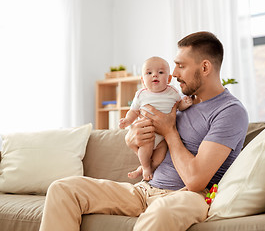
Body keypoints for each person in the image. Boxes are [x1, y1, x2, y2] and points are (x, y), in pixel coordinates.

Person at [39, 31, 248, 231]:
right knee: (63, 189)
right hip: (145, 189)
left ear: (205, 67)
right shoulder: (176, 101)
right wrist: (133, 140)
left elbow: (195, 181)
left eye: (181, 66)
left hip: (190, 196)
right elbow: (151, 148)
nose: (173, 74)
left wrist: (169, 131)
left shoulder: (229, 111)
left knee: (161, 212)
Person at [119, 56, 192, 181]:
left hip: (163, 137)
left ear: (169, 79)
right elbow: (134, 111)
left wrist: (185, 104)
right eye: (149, 73)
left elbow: (178, 106)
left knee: (160, 155)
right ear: (143, 80)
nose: (155, 75)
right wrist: (127, 121)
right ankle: (145, 167)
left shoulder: (173, 92)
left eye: (161, 72)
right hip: (148, 133)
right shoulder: (141, 94)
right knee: (145, 150)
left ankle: (147, 168)